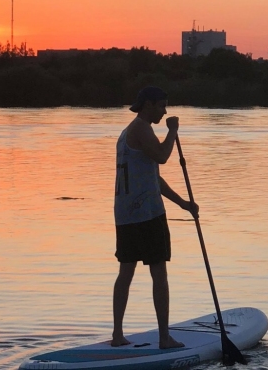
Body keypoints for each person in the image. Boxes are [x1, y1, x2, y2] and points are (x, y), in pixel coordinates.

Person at [112, 86, 198, 349]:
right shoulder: (140, 129)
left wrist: (183, 204)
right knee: (159, 273)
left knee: (126, 270)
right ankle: (164, 338)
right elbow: (162, 157)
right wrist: (173, 131)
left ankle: (118, 336)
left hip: (125, 214)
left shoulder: (129, 132)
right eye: (162, 106)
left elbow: (152, 177)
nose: (165, 111)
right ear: (148, 104)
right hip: (147, 215)